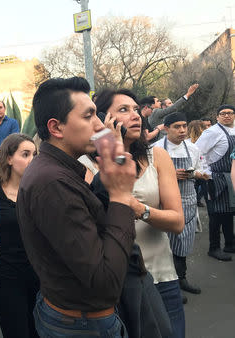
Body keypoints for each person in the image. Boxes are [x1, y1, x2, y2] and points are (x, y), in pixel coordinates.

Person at [17, 77, 138, 337]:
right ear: (56, 128)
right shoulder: (53, 183)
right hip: (82, 326)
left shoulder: (58, 171)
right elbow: (106, 283)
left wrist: (107, 181)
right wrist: (120, 196)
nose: (99, 125)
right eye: (89, 116)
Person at [94, 89, 185, 338]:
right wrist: (110, 147)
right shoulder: (88, 165)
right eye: (123, 110)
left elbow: (177, 221)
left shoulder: (157, 156)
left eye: (136, 109)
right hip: (121, 285)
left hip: (162, 276)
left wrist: (138, 209)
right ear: (104, 119)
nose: (135, 115)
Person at [0, 133, 39, 338]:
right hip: (8, 276)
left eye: (34, 154)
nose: (32, 160)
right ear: (8, 158)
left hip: (41, 276)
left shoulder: (39, 190)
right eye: (25, 154)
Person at [153, 113, 209, 295]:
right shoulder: (155, 149)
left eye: (184, 126)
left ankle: (181, 278)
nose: (182, 130)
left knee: (183, 242)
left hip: (187, 199)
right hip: (163, 202)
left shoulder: (192, 149)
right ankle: (167, 285)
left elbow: (202, 168)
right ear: (166, 128)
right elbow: (146, 177)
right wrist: (169, 174)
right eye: (177, 126)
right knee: (165, 243)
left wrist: (198, 174)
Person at [195, 104, 235, 261]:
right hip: (214, 178)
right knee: (215, 213)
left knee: (228, 212)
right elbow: (197, 152)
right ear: (217, 117)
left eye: (230, 113)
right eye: (223, 113)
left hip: (230, 176)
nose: (227, 116)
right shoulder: (212, 132)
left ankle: (230, 244)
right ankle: (214, 247)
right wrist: (206, 172)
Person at [187, 120, 207, 207]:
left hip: (192, 171)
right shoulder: (205, 141)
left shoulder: (185, 142)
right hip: (203, 171)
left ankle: (196, 201)